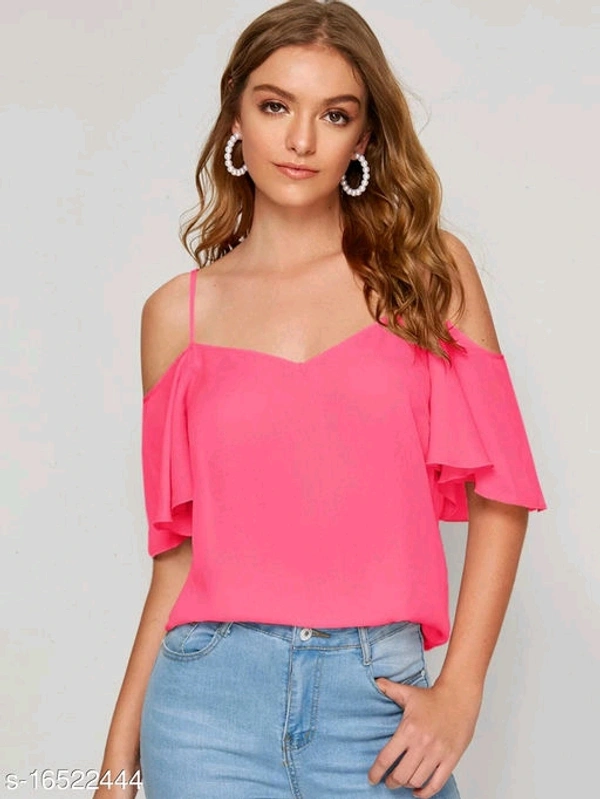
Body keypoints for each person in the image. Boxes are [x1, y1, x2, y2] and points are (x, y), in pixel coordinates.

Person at [94, 1, 546, 797]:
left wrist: (462, 690)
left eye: (334, 114)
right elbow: (179, 559)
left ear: (363, 137)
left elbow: (502, 493)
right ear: (236, 118)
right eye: (276, 106)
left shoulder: (429, 274)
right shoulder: (177, 315)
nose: (301, 140)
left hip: (377, 705)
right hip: (204, 712)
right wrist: (114, 766)